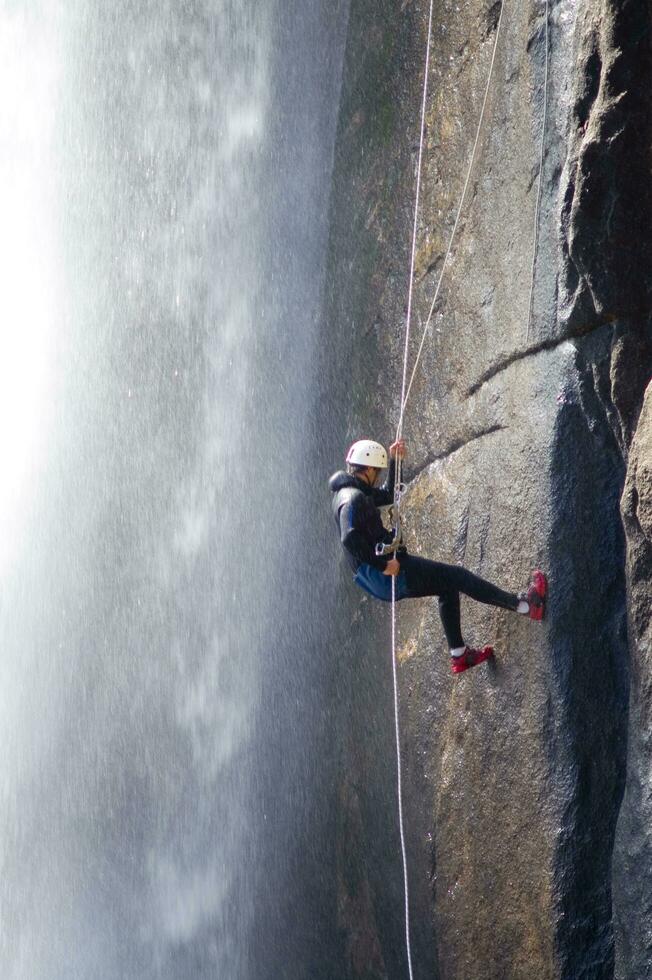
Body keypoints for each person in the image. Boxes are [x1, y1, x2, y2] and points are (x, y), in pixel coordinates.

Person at [329, 438, 547, 673]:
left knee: (446, 587)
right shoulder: (352, 498)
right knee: (458, 576)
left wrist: (395, 462)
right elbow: (349, 537)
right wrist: (383, 565)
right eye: (379, 471)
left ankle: (460, 655)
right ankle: (526, 605)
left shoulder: (355, 493)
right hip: (383, 574)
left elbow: (388, 496)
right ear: (370, 469)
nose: (378, 476)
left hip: (375, 578)